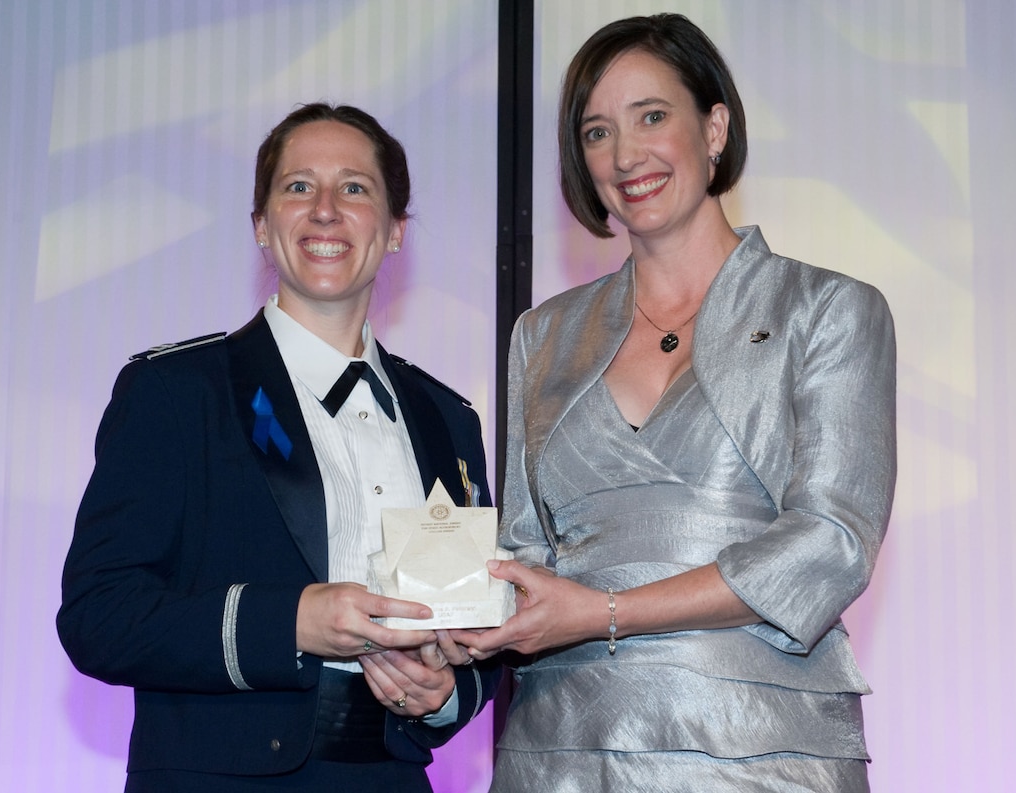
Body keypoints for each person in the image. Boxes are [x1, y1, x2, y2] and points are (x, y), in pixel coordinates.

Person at [453, 13, 896, 793]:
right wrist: (438, 638)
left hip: (765, 751)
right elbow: (524, 554)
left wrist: (604, 611)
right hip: (561, 752)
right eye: (596, 132)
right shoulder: (543, 334)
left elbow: (830, 544)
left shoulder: (828, 310)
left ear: (715, 126)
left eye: (651, 116)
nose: (626, 156)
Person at [57, 102, 498, 792]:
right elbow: (99, 615)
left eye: (355, 188)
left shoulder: (449, 419)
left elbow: (479, 627)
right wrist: (292, 621)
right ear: (262, 227)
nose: (325, 209)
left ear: (394, 231)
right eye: (298, 187)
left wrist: (444, 692)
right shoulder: (176, 391)